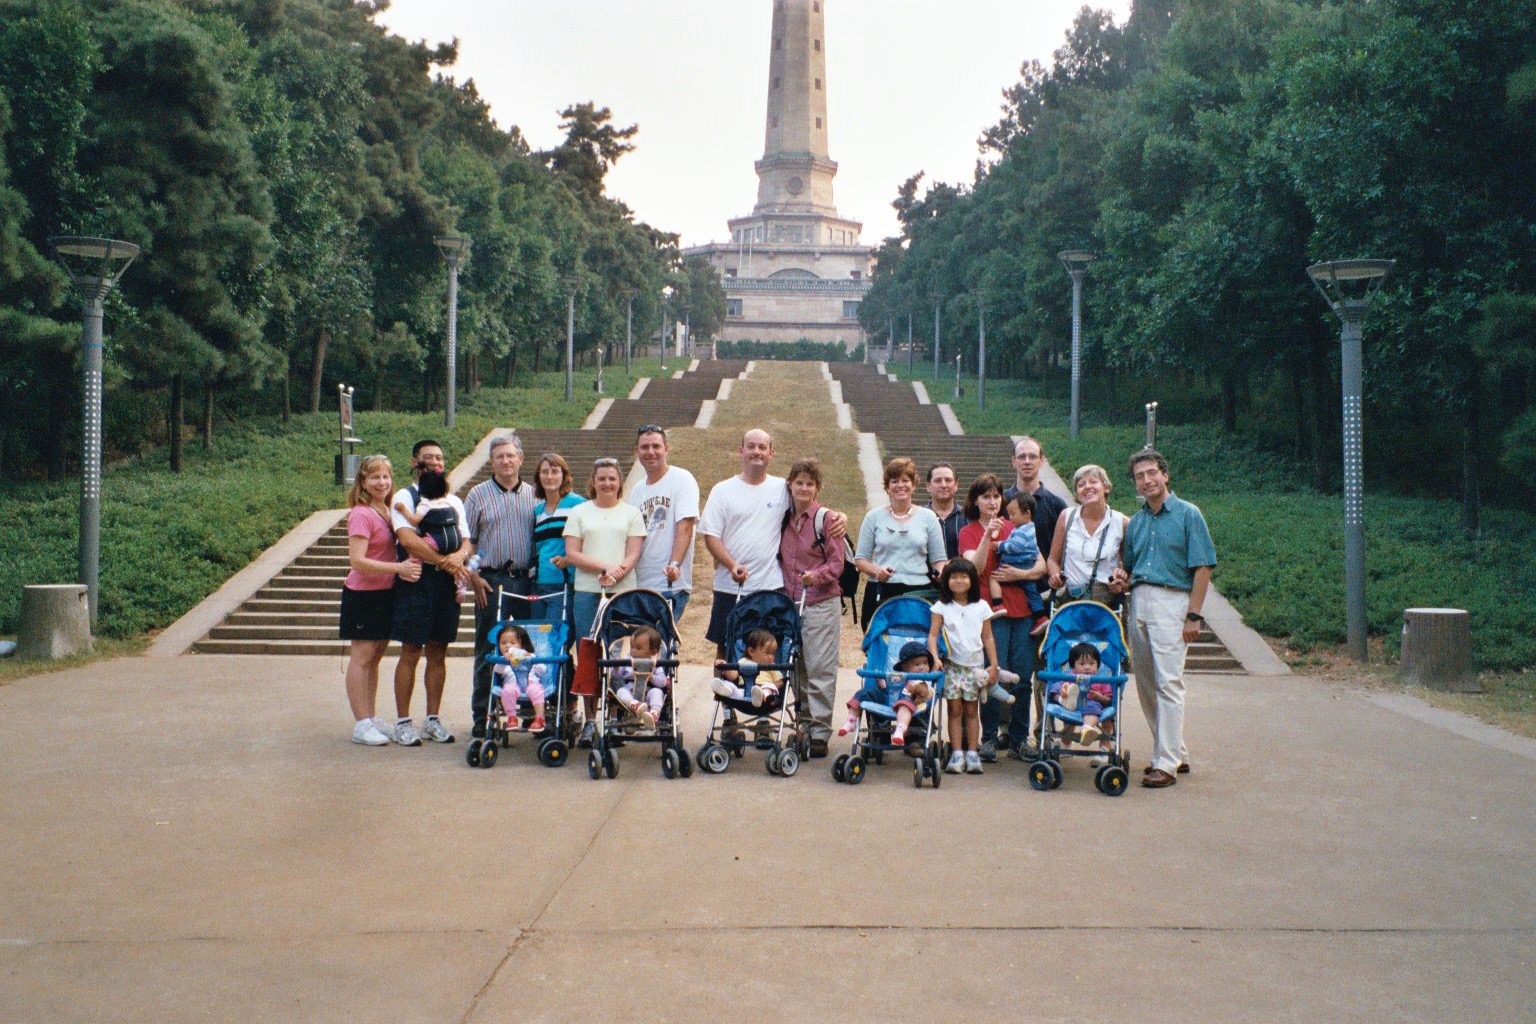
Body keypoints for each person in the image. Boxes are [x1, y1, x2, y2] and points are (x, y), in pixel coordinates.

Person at [1109, 448, 1217, 789]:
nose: (1147, 480)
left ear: (1165, 475)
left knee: (1169, 681)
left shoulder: (1188, 514)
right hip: (1138, 599)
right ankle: (1174, 750)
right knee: (1145, 682)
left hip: (1173, 600)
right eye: (1140, 476)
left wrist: (1194, 615)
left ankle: (1166, 763)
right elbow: (1129, 564)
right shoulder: (1137, 521)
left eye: (1152, 473)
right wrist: (1121, 578)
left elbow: (1203, 567)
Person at [700, 429, 846, 658]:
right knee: (726, 650)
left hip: (770, 587)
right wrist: (731, 565)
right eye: (751, 446)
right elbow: (710, 536)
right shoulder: (722, 490)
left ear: (771, 453)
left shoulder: (782, 488)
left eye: (762, 447)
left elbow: (808, 501)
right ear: (741, 451)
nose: (756, 452)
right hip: (730, 585)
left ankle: (767, 694)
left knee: (770, 653)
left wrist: (839, 516)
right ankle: (725, 694)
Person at [959, 474, 1046, 762]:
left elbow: (1041, 564)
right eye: (986, 497)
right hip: (989, 612)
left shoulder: (1016, 524)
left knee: (1022, 675)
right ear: (976, 501)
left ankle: (1020, 738)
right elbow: (976, 568)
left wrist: (1019, 575)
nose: (993, 502)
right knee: (992, 675)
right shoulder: (969, 531)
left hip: (1021, 610)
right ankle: (989, 738)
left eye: (997, 496)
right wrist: (988, 535)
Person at [560, 456, 646, 745]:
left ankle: (614, 717)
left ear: (619, 481)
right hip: (587, 591)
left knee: (619, 655)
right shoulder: (580, 512)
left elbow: (634, 552)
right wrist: (603, 569)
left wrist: (618, 572)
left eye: (612, 478)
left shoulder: (631, 513)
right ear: (593, 482)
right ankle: (590, 721)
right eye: (602, 478)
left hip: (623, 592)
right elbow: (572, 553)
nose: (607, 483)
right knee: (589, 654)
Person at [389, 439, 470, 747]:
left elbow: (466, 539)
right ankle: (402, 722)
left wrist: (460, 557)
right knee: (410, 650)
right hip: (418, 581)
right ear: (415, 462)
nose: (436, 462)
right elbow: (408, 540)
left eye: (439, 457)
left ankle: (432, 719)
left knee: (439, 651)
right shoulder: (406, 497)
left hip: (447, 585)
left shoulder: (453, 500)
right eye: (428, 458)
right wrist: (443, 562)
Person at [341, 454, 422, 745]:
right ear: (362, 481)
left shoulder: (386, 510)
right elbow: (357, 561)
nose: (381, 482)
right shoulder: (361, 513)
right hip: (363, 596)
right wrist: (398, 569)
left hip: (386, 593)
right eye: (374, 477)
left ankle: (371, 717)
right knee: (361, 659)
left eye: (386, 476)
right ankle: (361, 725)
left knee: (375, 659)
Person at [463, 434, 538, 739]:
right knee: (488, 647)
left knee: (531, 649)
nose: (506, 461)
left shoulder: (535, 495)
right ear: (491, 462)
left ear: (520, 459)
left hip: (525, 580)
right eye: (499, 457)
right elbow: (467, 543)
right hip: (490, 580)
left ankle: (534, 712)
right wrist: (472, 576)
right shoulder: (477, 495)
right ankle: (482, 716)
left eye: (511, 455)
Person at [778, 457, 844, 758]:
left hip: (819, 602)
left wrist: (814, 576)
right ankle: (802, 724)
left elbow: (837, 563)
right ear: (790, 485)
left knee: (820, 667)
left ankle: (819, 731)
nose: (803, 488)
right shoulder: (784, 518)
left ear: (817, 488)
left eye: (810, 483)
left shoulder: (826, 520)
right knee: (797, 667)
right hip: (791, 602)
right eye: (799, 482)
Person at [854, 457, 947, 629]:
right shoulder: (873, 517)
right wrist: (877, 571)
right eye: (894, 481)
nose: (900, 485)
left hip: (918, 593)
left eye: (906, 480)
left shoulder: (929, 517)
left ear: (914, 485)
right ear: (887, 487)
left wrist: (941, 573)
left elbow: (939, 559)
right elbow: (860, 559)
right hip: (881, 591)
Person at [928, 558, 998, 774]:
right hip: (951, 667)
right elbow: (932, 635)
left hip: (974, 668)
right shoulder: (941, 607)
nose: (959, 581)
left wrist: (993, 664)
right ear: (946, 580)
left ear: (973, 580)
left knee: (971, 710)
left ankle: (972, 753)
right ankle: (957, 753)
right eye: (954, 577)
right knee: (954, 709)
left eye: (964, 576)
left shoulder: (982, 606)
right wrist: (934, 657)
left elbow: (988, 637)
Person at [627, 426, 699, 623]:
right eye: (645, 447)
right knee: (642, 648)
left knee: (659, 646)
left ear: (666, 448)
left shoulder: (682, 479)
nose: (650, 452)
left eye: (656, 446)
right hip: (642, 585)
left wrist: (675, 564)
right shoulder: (637, 490)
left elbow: (685, 526)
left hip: (670, 585)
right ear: (637, 451)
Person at [1046, 464, 1128, 609]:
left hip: (1106, 604)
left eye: (1093, 482)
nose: (1087, 487)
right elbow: (1053, 559)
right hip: (1072, 601)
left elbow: (1128, 566)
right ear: (1077, 494)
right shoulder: (1066, 517)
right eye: (1081, 484)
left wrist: (1121, 581)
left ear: (1106, 488)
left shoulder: (1121, 522)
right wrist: (1054, 576)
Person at [838, 640, 935, 747]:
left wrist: (920, 691)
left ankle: (900, 729)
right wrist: (882, 683)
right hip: (889, 699)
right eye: (917, 664)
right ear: (905, 667)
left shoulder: (926, 680)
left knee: (905, 704)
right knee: (863, 694)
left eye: (925, 663)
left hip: (910, 704)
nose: (922, 667)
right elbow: (889, 688)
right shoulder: (899, 676)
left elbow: (928, 694)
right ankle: (851, 721)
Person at [530, 452, 585, 623]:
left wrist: (570, 559)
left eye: (555, 471)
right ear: (538, 476)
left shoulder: (578, 504)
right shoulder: (538, 510)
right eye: (544, 472)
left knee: (555, 638)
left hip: (565, 583)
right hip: (539, 584)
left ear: (564, 475)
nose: (549, 476)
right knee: (537, 639)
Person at [990, 492, 1049, 633]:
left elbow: (1014, 546)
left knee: (994, 578)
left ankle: (997, 605)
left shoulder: (1023, 530)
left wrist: (1000, 546)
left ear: (1027, 513)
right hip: (1024, 564)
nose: (1010, 518)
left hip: (1018, 564)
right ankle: (1041, 617)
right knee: (1031, 592)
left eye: (1013, 514)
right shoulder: (1026, 528)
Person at [1049, 641, 1114, 760]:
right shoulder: (1070, 675)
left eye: (1092, 663)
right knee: (1057, 687)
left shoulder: (1101, 679)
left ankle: (1087, 729)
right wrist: (1063, 689)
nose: (1087, 667)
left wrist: (1099, 697)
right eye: (1082, 664)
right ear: (1073, 666)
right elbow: (1061, 684)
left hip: (1092, 703)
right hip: (1072, 705)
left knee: (1092, 708)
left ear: (1098, 666)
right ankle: (1061, 698)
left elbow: (1108, 699)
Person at [490, 625, 547, 733]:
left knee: (536, 690)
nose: (507, 646)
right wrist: (504, 660)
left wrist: (531, 658)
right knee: (507, 691)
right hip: (513, 686)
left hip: (531, 684)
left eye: (512, 642)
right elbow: (497, 670)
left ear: (521, 644)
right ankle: (512, 717)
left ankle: (540, 718)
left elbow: (542, 670)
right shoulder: (502, 661)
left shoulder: (530, 656)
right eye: (503, 643)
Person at [611, 624, 669, 728]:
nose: (633, 651)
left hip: (648, 693)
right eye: (632, 647)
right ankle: (635, 705)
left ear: (653, 651)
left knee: (657, 692)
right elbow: (617, 675)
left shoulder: (655, 664)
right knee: (620, 691)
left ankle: (654, 714)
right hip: (630, 692)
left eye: (638, 648)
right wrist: (616, 668)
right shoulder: (627, 660)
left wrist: (652, 677)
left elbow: (663, 682)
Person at [710, 628, 783, 706]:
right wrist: (725, 665)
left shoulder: (772, 666)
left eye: (773, 654)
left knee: (768, 689)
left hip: (764, 692)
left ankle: (760, 696)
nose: (771, 657)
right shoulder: (743, 661)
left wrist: (773, 686)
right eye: (767, 653)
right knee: (732, 687)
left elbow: (780, 681)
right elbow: (733, 676)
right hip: (744, 691)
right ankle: (726, 690)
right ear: (751, 651)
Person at [927, 462, 964, 559]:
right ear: (928, 486)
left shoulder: (968, 517)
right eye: (938, 480)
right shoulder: (918, 517)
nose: (943, 485)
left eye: (948, 480)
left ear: (956, 485)